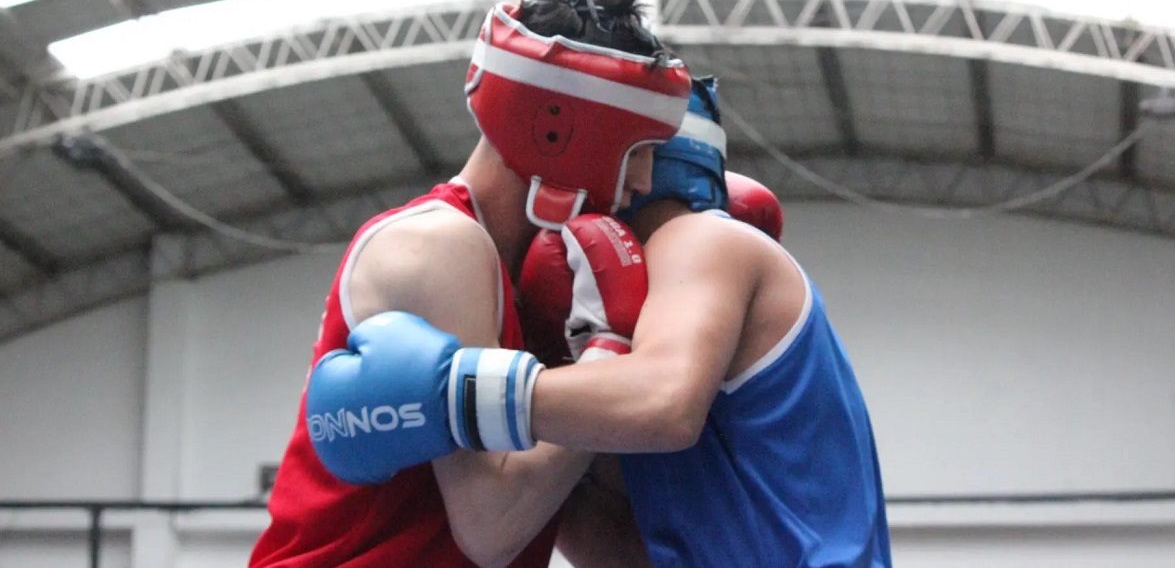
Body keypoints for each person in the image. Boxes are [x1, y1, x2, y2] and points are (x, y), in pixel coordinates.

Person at [306, 75, 892, 567]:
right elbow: (618, 544)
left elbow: (665, 403)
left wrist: (448, 396)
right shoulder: (631, 336)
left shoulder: (703, 240)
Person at [249, 0, 693, 568]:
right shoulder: (440, 247)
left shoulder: (527, 273)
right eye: (636, 151)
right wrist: (609, 358)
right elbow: (489, 525)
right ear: (560, 129)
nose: (641, 182)